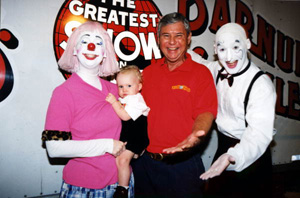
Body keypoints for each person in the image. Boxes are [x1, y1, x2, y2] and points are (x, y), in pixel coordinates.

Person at [42, 21, 134, 198]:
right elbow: (54, 147)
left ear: (105, 53)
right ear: (75, 49)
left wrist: (136, 147)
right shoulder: (64, 93)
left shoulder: (117, 89)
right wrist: (106, 145)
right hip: (84, 187)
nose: (91, 46)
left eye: (99, 43)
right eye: (84, 41)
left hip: (123, 182)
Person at [131, 12, 218, 197]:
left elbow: (206, 113)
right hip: (144, 165)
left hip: (182, 167)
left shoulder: (201, 73)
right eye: (166, 35)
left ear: (188, 38)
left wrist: (196, 135)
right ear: (158, 39)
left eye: (178, 35)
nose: (172, 42)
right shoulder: (148, 73)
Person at [189, 23, 276, 197]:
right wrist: (180, 43)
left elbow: (258, 134)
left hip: (252, 152)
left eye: (236, 47)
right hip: (223, 146)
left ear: (248, 44)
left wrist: (232, 156)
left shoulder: (261, 85)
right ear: (215, 49)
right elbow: (200, 62)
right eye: (222, 49)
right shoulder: (217, 69)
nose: (229, 57)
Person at [105, 65, 150, 198]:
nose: (124, 90)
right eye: (120, 86)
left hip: (136, 136)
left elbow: (124, 116)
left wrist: (114, 103)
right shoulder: (126, 99)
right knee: (119, 160)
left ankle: (123, 189)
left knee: (123, 160)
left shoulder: (137, 100)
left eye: (129, 86)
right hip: (128, 135)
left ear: (139, 87)